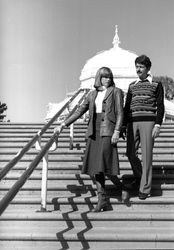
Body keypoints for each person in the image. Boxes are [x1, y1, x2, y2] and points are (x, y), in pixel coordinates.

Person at [55, 67, 129, 212]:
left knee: (105, 163)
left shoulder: (116, 92)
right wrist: (63, 125)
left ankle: (121, 187)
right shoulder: (91, 94)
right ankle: (102, 200)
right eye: (105, 77)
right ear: (99, 78)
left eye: (109, 77)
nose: (108, 79)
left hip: (108, 129)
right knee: (95, 167)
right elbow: (79, 111)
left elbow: (120, 113)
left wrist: (117, 131)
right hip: (93, 131)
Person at [122, 55, 165, 200]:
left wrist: (158, 125)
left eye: (141, 67)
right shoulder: (132, 85)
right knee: (130, 153)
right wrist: (123, 125)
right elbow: (127, 107)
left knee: (146, 156)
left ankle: (145, 189)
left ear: (148, 68)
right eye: (137, 67)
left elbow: (160, 105)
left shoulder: (157, 84)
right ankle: (140, 177)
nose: (138, 69)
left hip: (149, 122)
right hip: (132, 122)